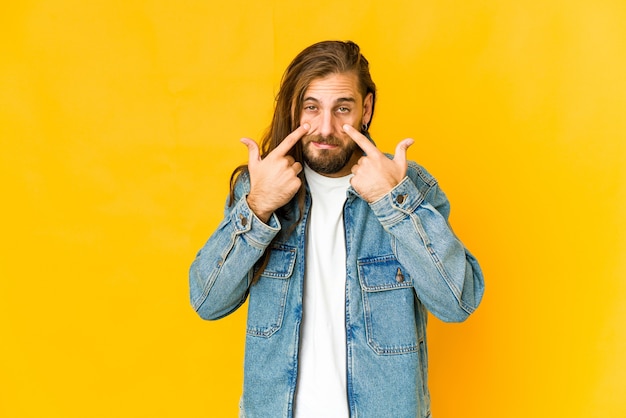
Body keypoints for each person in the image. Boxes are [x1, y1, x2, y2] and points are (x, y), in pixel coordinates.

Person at [189, 40, 485, 418]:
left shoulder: (409, 187)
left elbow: (458, 302)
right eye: (312, 108)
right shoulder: (260, 189)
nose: (325, 128)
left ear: (367, 109)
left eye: (342, 108)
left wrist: (392, 201)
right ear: (295, 109)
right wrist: (258, 206)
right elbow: (207, 301)